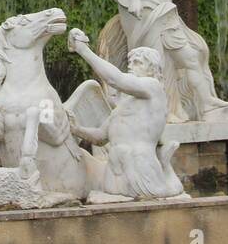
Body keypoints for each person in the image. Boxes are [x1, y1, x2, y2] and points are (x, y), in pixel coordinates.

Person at [67, 33, 184, 201]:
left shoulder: (153, 87)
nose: (131, 66)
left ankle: (166, 170)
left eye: (137, 62)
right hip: (114, 171)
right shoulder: (122, 107)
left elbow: (115, 79)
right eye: (130, 62)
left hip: (139, 165)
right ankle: (167, 173)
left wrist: (83, 49)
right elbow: (100, 137)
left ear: (151, 69)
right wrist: (77, 129)